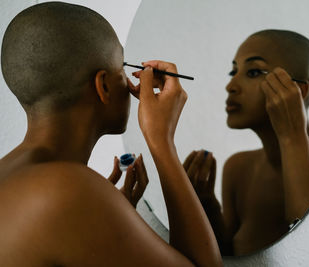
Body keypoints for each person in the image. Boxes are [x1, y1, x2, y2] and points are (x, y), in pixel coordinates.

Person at [0, 2, 222, 266]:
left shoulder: (14, 174)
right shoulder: (66, 190)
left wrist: (107, 217)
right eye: (122, 68)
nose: (130, 82)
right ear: (103, 85)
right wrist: (162, 141)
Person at [183, 30, 309, 256]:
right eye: (233, 71)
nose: (231, 85)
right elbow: (229, 256)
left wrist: (292, 137)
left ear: (299, 90)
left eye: (253, 72)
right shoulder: (238, 169)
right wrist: (208, 207)